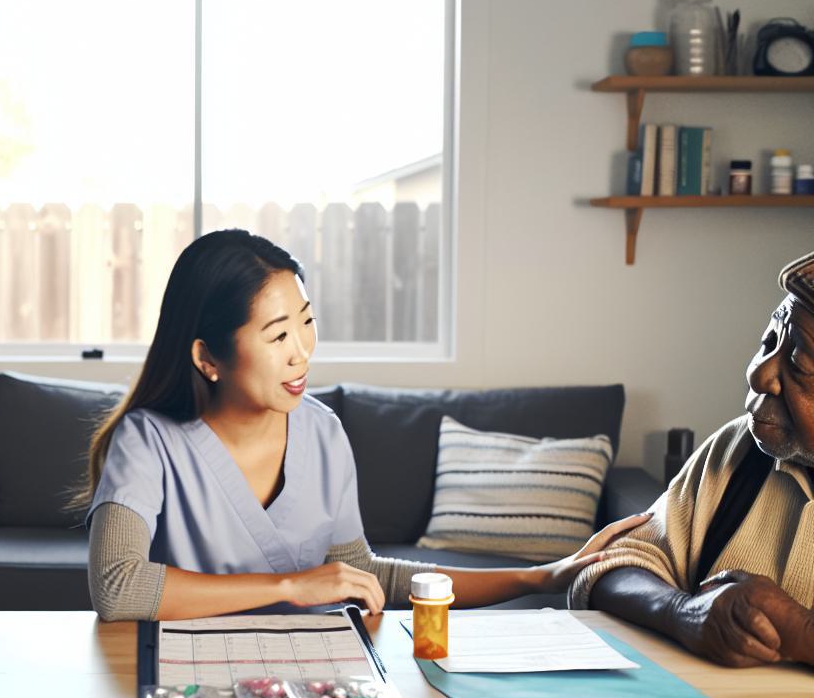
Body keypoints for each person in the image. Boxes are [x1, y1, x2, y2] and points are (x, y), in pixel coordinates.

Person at [75, 229, 648, 621]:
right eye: (277, 336)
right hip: (191, 682)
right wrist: (294, 586)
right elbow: (118, 586)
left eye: (307, 324)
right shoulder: (147, 441)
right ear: (208, 358)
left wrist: (539, 578)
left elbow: (363, 577)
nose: (301, 353)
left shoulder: (321, 433)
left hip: (315, 678)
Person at [571, 250, 814, 667]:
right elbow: (610, 565)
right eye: (769, 343)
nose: (760, 375)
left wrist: (800, 632)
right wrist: (681, 613)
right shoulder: (738, 451)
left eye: (798, 363)